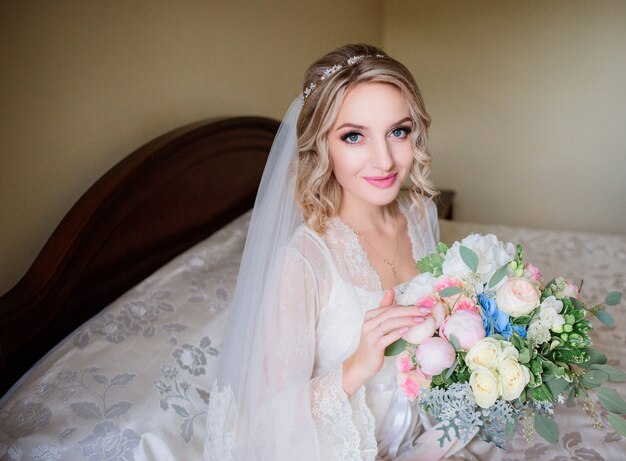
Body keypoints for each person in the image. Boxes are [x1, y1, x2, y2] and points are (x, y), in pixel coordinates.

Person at [204, 44, 477, 461]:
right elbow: (269, 426)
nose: (384, 160)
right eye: (354, 136)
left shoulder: (419, 214)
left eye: (398, 131)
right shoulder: (305, 261)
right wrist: (359, 365)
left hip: (424, 438)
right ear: (322, 146)